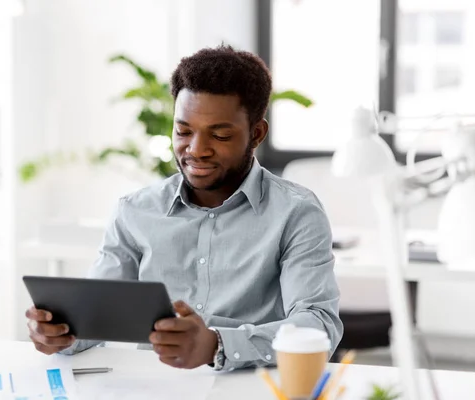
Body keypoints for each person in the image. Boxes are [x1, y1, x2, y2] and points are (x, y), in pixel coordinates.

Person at [26, 45, 343, 371]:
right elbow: (96, 317)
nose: (196, 149)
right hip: (149, 389)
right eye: (183, 131)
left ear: (257, 134)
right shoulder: (135, 211)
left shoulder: (296, 213)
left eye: (219, 135)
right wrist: (62, 333)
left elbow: (318, 326)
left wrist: (218, 344)